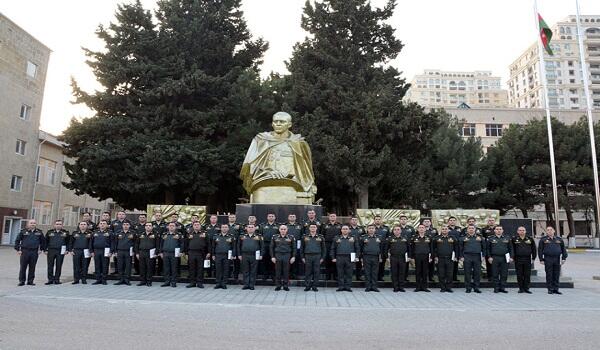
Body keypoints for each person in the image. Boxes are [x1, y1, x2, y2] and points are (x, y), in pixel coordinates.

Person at [14, 219, 45, 286]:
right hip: (25, 251)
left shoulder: (39, 232)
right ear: (28, 224)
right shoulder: (23, 231)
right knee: (23, 267)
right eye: (31, 223)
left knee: (32, 267)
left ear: (35, 224)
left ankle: (30, 281)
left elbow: (43, 242)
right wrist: (18, 250)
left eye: (34, 223)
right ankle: (22, 281)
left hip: (34, 252)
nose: (32, 224)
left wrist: (41, 249)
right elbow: (17, 241)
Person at [538, 226, 568, 294]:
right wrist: (541, 259)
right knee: (549, 274)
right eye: (548, 230)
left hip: (557, 259)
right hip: (547, 258)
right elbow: (540, 250)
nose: (549, 231)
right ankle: (550, 289)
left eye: (551, 230)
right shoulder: (543, 240)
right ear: (546, 232)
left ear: (554, 231)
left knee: (556, 274)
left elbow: (563, 249)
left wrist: (563, 258)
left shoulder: (559, 239)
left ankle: (556, 289)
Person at [486, 225, 513, 293]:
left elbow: (511, 249)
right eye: (497, 229)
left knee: (504, 274)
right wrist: (489, 257)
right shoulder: (490, 238)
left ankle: (502, 288)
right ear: (494, 230)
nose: (499, 230)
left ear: (502, 230)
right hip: (494, 258)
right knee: (495, 274)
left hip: (505, 258)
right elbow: (488, 249)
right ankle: (496, 288)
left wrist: (511, 257)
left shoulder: (507, 238)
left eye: (500, 229)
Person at [331, 225, 358, 292]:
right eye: (343, 229)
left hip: (350, 257)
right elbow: (333, 248)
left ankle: (348, 287)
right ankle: (341, 286)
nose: (345, 230)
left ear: (349, 230)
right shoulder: (336, 238)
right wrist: (333, 257)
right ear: (341, 230)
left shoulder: (353, 238)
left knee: (349, 273)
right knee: (340, 273)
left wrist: (356, 257)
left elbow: (357, 248)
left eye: (346, 229)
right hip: (339, 257)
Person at [432, 225, 459, 293]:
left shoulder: (453, 238)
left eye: (446, 229)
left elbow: (456, 248)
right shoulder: (436, 238)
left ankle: (448, 287)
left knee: (449, 274)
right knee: (441, 274)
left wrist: (456, 256)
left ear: (448, 230)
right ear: (441, 230)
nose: (444, 230)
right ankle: (442, 287)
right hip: (440, 258)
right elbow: (433, 248)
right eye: (443, 229)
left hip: (450, 258)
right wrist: (435, 257)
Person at [459, 225, 485, 293]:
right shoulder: (463, 238)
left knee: (477, 273)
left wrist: (483, 256)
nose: (471, 229)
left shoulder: (480, 238)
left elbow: (484, 247)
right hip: (467, 256)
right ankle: (468, 288)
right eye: (469, 228)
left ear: (475, 229)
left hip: (477, 256)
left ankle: (476, 287)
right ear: (467, 230)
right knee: (467, 273)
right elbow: (460, 248)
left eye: (472, 228)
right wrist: (461, 256)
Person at [237, 223, 263, 290]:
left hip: (255, 255)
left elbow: (262, 247)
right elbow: (238, 246)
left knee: (253, 271)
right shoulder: (242, 236)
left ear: (254, 228)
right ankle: (246, 284)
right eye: (249, 227)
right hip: (244, 255)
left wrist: (261, 255)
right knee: (245, 270)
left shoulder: (259, 236)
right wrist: (239, 254)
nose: (250, 228)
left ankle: (251, 284)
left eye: (252, 227)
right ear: (246, 228)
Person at [184, 222, 210, 288]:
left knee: (200, 268)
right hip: (191, 253)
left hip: (201, 253)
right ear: (193, 226)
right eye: (195, 225)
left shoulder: (204, 234)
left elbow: (208, 243)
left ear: (200, 226)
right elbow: (186, 244)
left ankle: (199, 282)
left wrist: (209, 252)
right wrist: (186, 253)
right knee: (191, 268)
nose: (196, 226)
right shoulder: (189, 234)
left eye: (198, 225)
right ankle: (192, 282)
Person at [512, 226, 537, 293]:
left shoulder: (530, 239)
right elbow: (512, 249)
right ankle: (521, 288)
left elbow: (534, 249)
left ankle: (527, 288)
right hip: (518, 259)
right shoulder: (514, 239)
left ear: (525, 231)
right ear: (517, 231)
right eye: (520, 230)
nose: (521, 231)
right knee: (519, 274)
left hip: (527, 259)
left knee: (527, 274)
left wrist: (533, 258)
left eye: (523, 230)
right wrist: (512, 257)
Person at [301, 223, 325, 291]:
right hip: (307, 256)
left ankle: (315, 286)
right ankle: (307, 286)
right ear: (309, 228)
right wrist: (302, 257)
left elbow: (323, 249)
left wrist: (322, 258)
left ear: (316, 228)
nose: (313, 228)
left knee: (316, 271)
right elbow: (302, 248)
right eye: (311, 227)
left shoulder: (320, 237)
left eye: (314, 227)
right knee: (308, 272)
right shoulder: (304, 237)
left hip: (317, 256)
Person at [270, 225, 296, 291]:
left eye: (284, 229)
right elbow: (271, 247)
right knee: (278, 271)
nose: (283, 230)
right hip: (277, 255)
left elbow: (294, 248)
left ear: (287, 230)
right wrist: (272, 257)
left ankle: (285, 285)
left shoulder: (291, 237)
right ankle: (278, 285)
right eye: (281, 229)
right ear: (279, 230)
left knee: (286, 271)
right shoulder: (275, 237)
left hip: (287, 255)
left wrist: (293, 257)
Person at [43, 220, 69, 285]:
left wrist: (67, 250)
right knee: (50, 265)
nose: (58, 225)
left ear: (62, 225)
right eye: (57, 224)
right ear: (54, 225)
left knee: (59, 265)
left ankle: (57, 279)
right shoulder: (50, 232)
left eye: (60, 224)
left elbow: (68, 242)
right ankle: (50, 279)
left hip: (61, 251)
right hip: (51, 251)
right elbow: (45, 242)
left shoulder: (65, 233)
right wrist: (45, 250)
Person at [212, 224, 236, 289]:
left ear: (228, 229)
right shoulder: (216, 236)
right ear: (221, 228)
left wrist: (233, 255)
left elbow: (234, 247)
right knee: (218, 269)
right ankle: (218, 283)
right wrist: (213, 255)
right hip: (218, 255)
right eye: (223, 227)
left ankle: (224, 283)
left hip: (227, 255)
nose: (224, 228)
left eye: (226, 227)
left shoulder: (231, 236)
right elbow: (213, 247)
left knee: (226, 269)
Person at [360, 224, 383, 292]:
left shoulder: (379, 237)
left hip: (376, 256)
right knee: (367, 272)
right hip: (366, 256)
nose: (371, 229)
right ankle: (368, 286)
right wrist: (361, 257)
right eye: (369, 228)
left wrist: (381, 256)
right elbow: (360, 247)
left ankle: (374, 286)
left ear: (375, 229)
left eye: (372, 228)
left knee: (374, 272)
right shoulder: (363, 237)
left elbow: (381, 248)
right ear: (367, 229)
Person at [387, 225, 409, 292]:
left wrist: (409, 257)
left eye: (398, 229)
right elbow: (386, 249)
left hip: (402, 257)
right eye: (395, 229)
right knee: (394, 273)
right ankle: (395, 287)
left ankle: (401, 287)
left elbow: (409, 248)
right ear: (393, 231)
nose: (397, 231)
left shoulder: (405, 238)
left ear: (401, 230)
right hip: (393, 257)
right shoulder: (390, 239)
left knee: (402, 273)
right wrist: (387, 257)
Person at [159, 222, 182, 287]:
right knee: (166, 268)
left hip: (174, 253)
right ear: (168, 227)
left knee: (174, 268)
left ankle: (173, 282)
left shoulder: (179, 235)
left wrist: (181, 251)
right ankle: (167, 281)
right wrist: (160, 252)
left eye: (173, 226)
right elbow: (161, 244)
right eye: (170, 226)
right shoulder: (164, 234)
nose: (171, 227)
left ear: (175, 227)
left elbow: (182, 243)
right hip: (165, 253)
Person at [410, 224, 432, 292]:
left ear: (425, 229)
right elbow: (412, 248)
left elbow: (431, 248)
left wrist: (431, 256)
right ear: (418, 229)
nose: (421, 229)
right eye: (420, 228)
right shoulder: (414, 238)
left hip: (426, 256)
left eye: (423, 227)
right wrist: (412, 257)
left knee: (425, 272)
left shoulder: (429, 237)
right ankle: (418, 287)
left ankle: (425, 287)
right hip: (417, 256)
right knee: (418, 272)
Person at [135, 222, 158, 287]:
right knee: (142, 267)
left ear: (152, 227)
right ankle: (142, 281)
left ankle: (149, 281)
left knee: (149, 267)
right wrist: (137, 253)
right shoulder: (141, 234)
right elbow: (136, 244)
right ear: (145, 227)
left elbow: (158, 245)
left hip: (151, 253)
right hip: (142, 252)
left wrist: (156, 253)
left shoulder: (155, 234)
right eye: (147, 225)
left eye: (149, 226)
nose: (148, 227)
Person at [90, 220, 112, 285]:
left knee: (105, 265)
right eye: (101, 223)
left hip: (106, 251)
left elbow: (112, 243)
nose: (102, 225)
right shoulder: (94, 233)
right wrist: (91, 251)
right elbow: (91, 242)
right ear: (98, 225)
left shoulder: (110, 233)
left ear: (107, 225)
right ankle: (98, 279)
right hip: (96, 250)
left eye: (104, 223)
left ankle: (104, 279)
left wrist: (111, 251)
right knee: (97, 265)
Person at [322, 213, 342, 281]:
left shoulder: (340, 225)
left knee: (336, 260)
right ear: (329, 217)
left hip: (337, 244)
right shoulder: (325, 225)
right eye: (331, 216)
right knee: (327, 260)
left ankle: (336, 276)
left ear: (336, 217)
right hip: (327, 244)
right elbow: (322, 235)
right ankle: (328, 276)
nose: (332, 217)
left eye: (334, 216)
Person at [259, 214, 278, 281]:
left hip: (274, 244)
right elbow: (260, 235)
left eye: (272, 216)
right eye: (269, 216)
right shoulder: (262, 226)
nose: (271, 217)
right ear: (267, 217)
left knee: (273, 260)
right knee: (265, 260)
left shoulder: (278, 226)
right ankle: (265, 274)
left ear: (275, 217)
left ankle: (273, 275)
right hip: (265, 244)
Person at [373, 215, 390, 281]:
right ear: (374, 220)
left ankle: (380, 276)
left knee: (382, 263)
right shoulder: (371, 228)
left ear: (381, 220)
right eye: (376, 219)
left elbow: (388, 238)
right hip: (374, 248)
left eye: (379, 219)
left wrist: (388, 249)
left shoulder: (386, 228)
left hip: (383, 249)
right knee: (375, 264)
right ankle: (374, 277)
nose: (378, 220)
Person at [286, 214, 303, 279]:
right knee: (287, 261)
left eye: (293, 216)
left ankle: (295, 274)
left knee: (296, 260)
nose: (292, 218)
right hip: (287, 245)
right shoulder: (285, 226)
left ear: (295, 218)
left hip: (297, 245)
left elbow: (302, 236)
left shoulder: (299, 226)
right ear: (288, 218)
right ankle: (288, 274)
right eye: (290, 216)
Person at [348, 217, 365, 281]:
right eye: (353, 220)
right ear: (350, 221)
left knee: (358, 263)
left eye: (355, 220)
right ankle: (349, 276)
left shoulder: (361, 229)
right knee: (350, 263)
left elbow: (364, 238)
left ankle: (359, 276)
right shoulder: (347, 228)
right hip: (350, 248)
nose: (354, 221)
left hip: (359, 248)